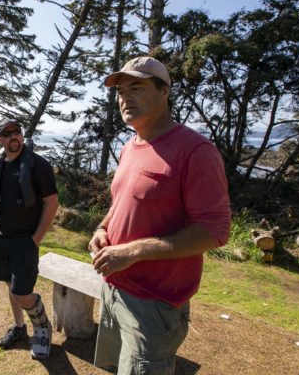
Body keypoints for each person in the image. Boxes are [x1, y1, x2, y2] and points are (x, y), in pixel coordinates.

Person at [89, 56, 231, 374]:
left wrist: (133, 251)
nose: (125, 97)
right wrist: (102, 228)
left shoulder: (195, 151)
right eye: (121, 91)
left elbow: (215, 230)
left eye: (136, 87)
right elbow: (121, 202)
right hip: (113, 291)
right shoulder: (129, 147)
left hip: (153, 305)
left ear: (164, 90)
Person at [0, 118, 59, 360]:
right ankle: (19, 328)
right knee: (9, 283)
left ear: (21, 135)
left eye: (17, 131)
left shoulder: (38, 165)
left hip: (25, 240)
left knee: (22, 292)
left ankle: (42, 328)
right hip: (1, 237)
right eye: (7, 133)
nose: (13, 135)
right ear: (0, 139)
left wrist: (36, 239)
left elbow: (52, 203)